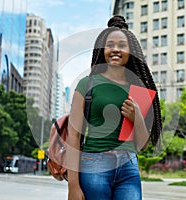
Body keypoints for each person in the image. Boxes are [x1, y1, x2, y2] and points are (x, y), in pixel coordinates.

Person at [67, 15, 162, 200]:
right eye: (110, 45)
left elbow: (143, 145)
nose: (115, 49)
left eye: (122, 45)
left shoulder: (139, 89)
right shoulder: (87, 84)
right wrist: (73, 186)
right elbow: (74, 136)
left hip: (128, 167)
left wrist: (138, 119)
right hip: (94, 165)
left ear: (131, 51)